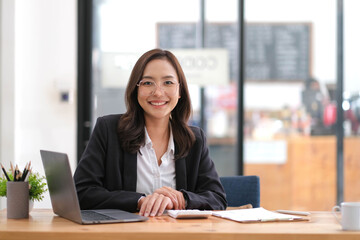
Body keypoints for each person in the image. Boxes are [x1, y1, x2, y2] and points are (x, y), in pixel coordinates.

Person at [74, 49, 227, 217]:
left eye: (168, 83)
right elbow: (82, 192)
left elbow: (217, 198)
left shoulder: (194, 139)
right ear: (135, 89)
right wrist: (140, 201)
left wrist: (181, 199)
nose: (158, 92)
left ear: (180, 90)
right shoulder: (108, 130)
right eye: (148, 83)